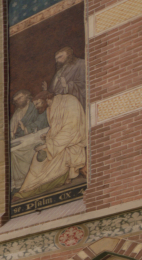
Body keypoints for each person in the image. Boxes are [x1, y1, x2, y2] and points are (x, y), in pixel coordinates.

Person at [18, 48, 90, 197]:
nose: (57, 61)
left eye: (60, 57)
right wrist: (49, 137)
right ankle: (25, 191)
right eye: (56, 58)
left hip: (71, 143)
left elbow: (71, 129)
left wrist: (49, 145)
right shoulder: (51, 107)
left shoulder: (79, 68)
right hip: (60, 142)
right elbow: (57, 127)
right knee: (37, 158)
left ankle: (32, 189)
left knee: (46, 160)